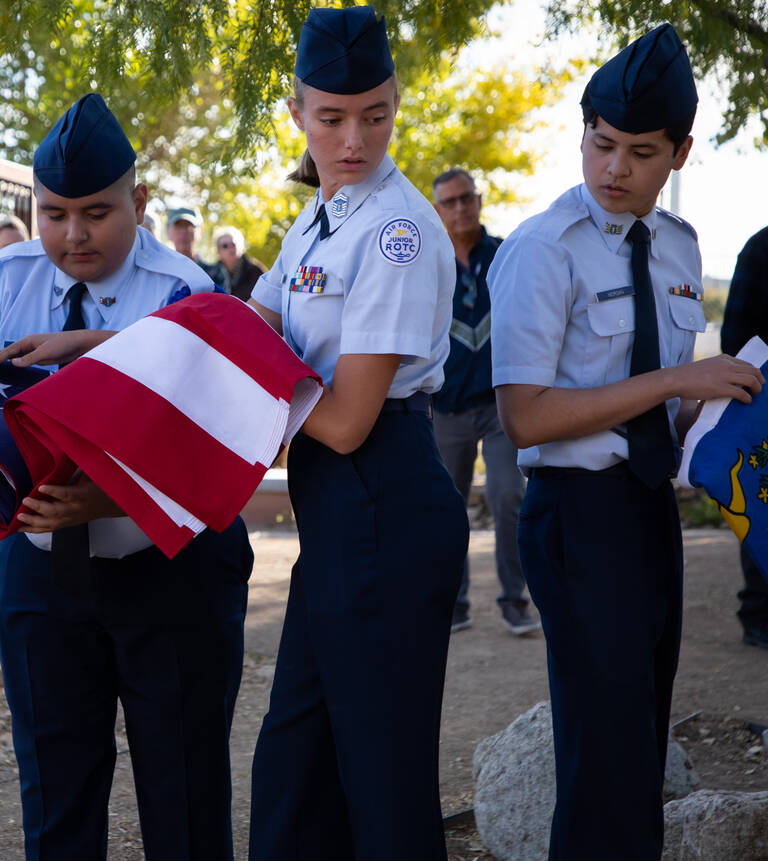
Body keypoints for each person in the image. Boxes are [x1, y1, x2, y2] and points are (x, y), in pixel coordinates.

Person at [489, 25, 764, 859]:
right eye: (601, 144)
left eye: (641, 152)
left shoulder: (678, 248)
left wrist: (719, 409)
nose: (614, 168)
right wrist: (679, 382)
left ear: (679, 153)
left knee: (639, 742)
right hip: (575, 516)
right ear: (582, 133)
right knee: (602, 753)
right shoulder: (543, 249)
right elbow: (526, 417)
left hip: (648, 512)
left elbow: (656, 410)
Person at [0, 93, 253, 860]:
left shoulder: (189, 293)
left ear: (140, 201)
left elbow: (224, 443)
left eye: (97, 212)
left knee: (183, 797)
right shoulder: (3, 284)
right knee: (57, 796)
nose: (73, 235)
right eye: (53, 213)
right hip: (43, 576)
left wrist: (114, 491)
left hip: (171, 574)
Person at [243, 7, 467, 857]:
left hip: (383, 494)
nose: (353, 139)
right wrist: (104, 345)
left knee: (382, 779)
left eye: (375, 115)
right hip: (340, 512)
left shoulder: (398, 228)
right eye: (331, 118)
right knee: (296, 760)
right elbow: (246, 323)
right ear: (298, 112)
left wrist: (249, 407)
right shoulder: (320, 217)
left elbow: (343, 419)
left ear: (397, 102)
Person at [430, 168, 535, 635]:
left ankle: (514, 600)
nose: (458, 209)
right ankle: (453, 603)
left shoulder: (506, 254)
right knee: (446, 506)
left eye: (465, 199)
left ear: (477, 199)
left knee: (508, 494)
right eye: (448, 202)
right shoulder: (427, 261)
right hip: (446, 404)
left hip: (499, 403)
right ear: (437, 210)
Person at [719, 225, 768, 649]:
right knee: (759, 504)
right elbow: (735, 339)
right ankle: (758, 614)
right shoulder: (762, 248)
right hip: (765, 405)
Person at [166, 205, 223, 282]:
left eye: (189, 226)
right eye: (178, 227)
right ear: (167, 232)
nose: (183, 232)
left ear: (200, 231)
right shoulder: (163, 274)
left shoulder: (214, 274)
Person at [213, 225, 267, 301]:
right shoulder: (212, 275)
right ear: (218, 251)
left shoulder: (255, 272)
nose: (230, 248)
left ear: (242, 246)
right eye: (225, 246)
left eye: (234, 244)